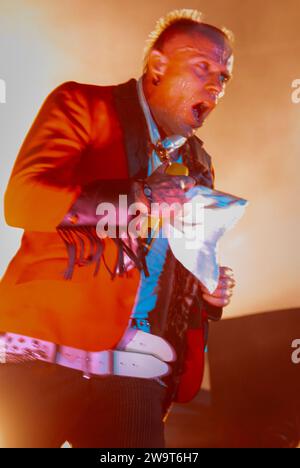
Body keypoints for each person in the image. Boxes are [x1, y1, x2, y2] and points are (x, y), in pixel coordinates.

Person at [0, 9, 236, 448]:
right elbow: (23, 200)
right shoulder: (82, 104)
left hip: (134, 368)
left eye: (223, 76)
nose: (215, 86)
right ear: (158, 65)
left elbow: (181, 262)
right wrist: (141, 195)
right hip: (43, 353)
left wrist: (207, 291)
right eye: (203, 66)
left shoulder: (200, 165)